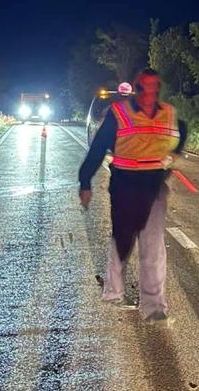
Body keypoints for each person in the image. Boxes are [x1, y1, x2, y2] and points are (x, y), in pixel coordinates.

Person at [79, 68, 187, 322]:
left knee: (153, 245)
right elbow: (97, 149)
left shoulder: (168, 113)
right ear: (136, 89)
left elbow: (180, 132)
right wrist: (85, 181)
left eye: (154, 87)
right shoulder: (120, 114)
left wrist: (174, 154)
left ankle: (153, 307)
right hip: (125, 186)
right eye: (145, 87)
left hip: (154, 188)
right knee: (123, 238)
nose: (150, 93)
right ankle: (114, 292)